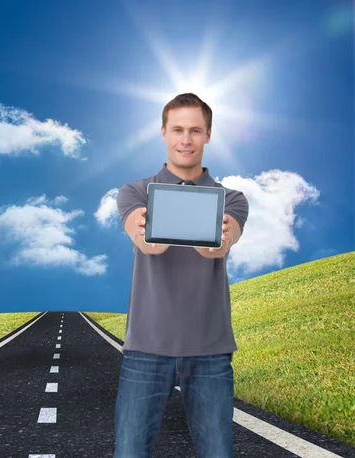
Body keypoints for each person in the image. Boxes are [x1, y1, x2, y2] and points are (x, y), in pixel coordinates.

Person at [113, 93, 249, 458]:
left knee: (218, 454)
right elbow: (146, 243)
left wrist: (218, 238)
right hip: (145, 348)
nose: (185, 139)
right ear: (163, 133)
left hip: (211, 353)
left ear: (207, 135)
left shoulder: (231, 198)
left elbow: (219, 247)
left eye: (194, 130)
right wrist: (144, 230)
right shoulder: (135, 192)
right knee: (129, 453)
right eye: (177, 130)